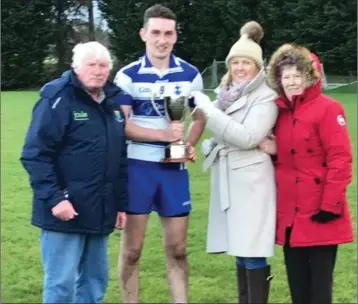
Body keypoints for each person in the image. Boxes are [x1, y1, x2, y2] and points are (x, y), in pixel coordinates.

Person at [20, 41, 128, 304]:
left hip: (101, 209)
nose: (98, 70)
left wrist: (120, 204)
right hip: (64, 212)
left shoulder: (112, 104)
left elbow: (119, 160)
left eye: (103, 65)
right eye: (91, 64)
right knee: (61, 286)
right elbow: (35, 154)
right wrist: (56, 199)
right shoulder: (57, 98)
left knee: (94, 283)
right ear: (76, 67)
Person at [113, 4, 206, 304]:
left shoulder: (190, 74)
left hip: (173, 172)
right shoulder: (127, 76)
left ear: (176, 36)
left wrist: (187, 144)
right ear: (143, 34)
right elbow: (122, 126)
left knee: (178, 249)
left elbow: (201, 117)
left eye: (168, 33)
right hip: (138, 169)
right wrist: (163, 136)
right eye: (155, 33)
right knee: (133, 250)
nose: (161, 40)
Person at [260, 43, 354, 304]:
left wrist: (331, 204)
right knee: (298, 287)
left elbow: (341, 158)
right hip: (292, 216)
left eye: (297, 75)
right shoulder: (279, 113)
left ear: (309, 76)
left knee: (320, 290)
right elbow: (293, 155)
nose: (291, 82)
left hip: (321, 211)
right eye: (286, 76)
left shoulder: (328, 108)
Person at [191, 21, 278, 304]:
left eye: (246, 62)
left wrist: (206, 109)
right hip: (231, 178)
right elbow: (224, 130)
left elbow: (247, 136)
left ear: (258, 66)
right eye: (235, 62)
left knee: (252, 251)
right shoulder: (227, 93)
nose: (240, 68)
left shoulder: (266, 96)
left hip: (253, 183)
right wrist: (211, 143)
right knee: (240, 252)